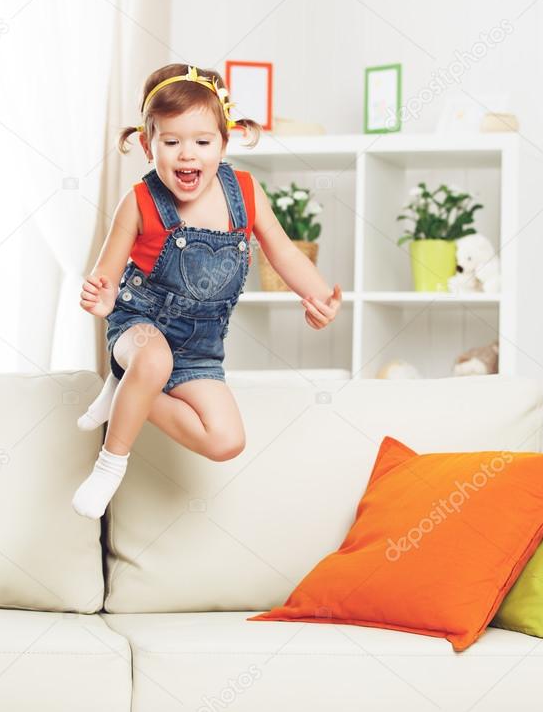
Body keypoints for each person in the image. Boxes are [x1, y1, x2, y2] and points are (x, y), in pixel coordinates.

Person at [73, 63, 343, 519]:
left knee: (226, 441)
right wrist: (100, 298)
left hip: (199, 351)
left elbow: (283, 252)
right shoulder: (139, 201)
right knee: (152, 360)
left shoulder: (244, 191)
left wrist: (317, 295)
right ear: (147, 144)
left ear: (224, 140)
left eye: (202, 142)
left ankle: (127, 388)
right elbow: (106, 275)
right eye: (171, 142)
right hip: (138, 327)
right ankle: (110, 464)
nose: (187, 155)